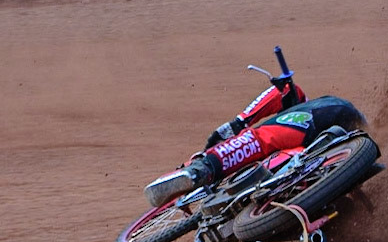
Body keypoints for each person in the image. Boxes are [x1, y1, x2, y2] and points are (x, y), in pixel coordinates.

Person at [144, 75, 368, 208]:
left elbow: (285, 91)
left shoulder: (308, 107)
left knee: (259, 138)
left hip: (329, 118)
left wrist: (240, 121)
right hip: (340, 147)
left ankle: (200, 170)